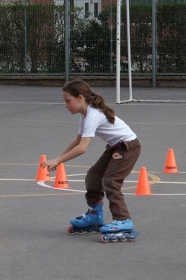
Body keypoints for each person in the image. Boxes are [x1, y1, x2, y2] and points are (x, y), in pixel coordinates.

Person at [42, 79, 141, 235]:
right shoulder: (85, 114)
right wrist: (58, 158)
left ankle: (123, 220)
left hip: (128, 147)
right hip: (116, 146)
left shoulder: (93, 115)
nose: (66, 105)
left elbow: (82, 148)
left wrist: (59, 160)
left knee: (110, 180)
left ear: (80, 98)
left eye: (68, 101)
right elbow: (77, 140)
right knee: (93, 176)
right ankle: (95, 215)